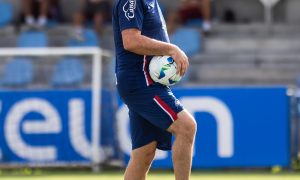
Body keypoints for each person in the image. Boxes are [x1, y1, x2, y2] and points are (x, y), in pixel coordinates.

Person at [112, 0, 197, 179]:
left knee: (144, 153)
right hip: (140, 81)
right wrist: (171, 49)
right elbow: (131, 40)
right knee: (186, 127)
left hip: (147, 81)